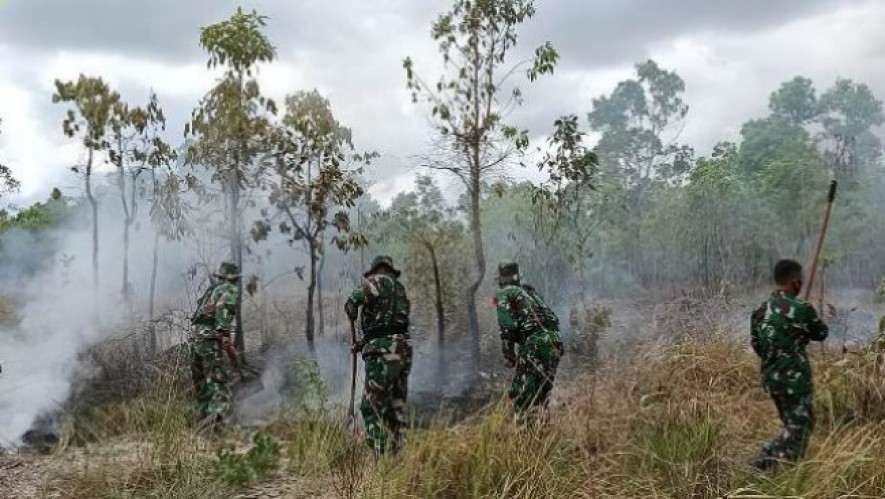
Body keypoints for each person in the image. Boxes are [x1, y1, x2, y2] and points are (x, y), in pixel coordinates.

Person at [751, 259, 828, 470]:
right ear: (795, 282)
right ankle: (764, 460)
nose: (802, 283)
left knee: (795, 426)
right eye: (800, 280)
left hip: (771, 379)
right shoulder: (802, 309)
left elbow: (757, 346)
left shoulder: (759, 312)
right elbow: (821, 333)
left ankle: (787, 470)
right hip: (794, 381)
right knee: (800, 430)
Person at [345, 255, 412, 454]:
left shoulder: (374, 282)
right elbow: (390, 325)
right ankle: (399, 457)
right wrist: (362, 344)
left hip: (381, 351)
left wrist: (351, 312)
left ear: (376, 270)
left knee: (370, 407)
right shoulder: (400, 289)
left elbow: (352, 302)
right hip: (404, 349)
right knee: (395, 407)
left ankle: (379, 453)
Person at [495, 261, 564, 419]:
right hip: (555, 340)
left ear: (502, 279)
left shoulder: (505, 293)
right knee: (541, 394)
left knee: (521, 395)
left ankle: (521, 437)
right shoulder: (531, 293)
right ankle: (542, 435)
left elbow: (507, 325)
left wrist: (509, 355)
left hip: (535, 341)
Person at [190, 261, 240, 430]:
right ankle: (217, 426)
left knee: (203, 383)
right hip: (210, 341)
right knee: (219, 382)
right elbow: (222, 316)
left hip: (196, 340)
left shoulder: (211, 290)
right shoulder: (229, 290)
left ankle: (203, 421)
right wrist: (229, 346)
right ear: (234, 278)